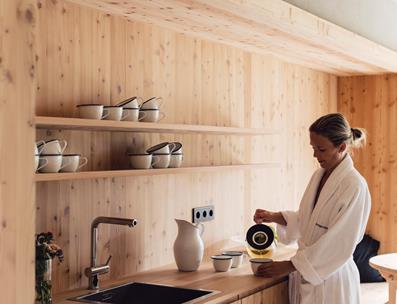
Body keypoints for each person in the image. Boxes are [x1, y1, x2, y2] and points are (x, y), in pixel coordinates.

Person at [253, 113, 371, 304]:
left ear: (341, 147)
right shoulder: (319, 175)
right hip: (310, 275)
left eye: (321, 149)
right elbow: (312, 221)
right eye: (313, 148)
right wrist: (275, 217)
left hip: (333, 280)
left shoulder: (354, 185)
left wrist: (291, 265)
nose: (315, 155)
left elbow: (340, 242)